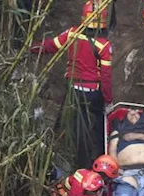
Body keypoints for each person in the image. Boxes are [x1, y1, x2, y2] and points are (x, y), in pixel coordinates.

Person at [30, 2, 113, 168]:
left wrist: (31, 47)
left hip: (73, 91)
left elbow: (50, 46)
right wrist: (108, 99)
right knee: (98, 126)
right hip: (92, 93)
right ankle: (98, 160)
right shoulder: (103, 45)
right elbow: (105, 76)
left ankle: (67, 159)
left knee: (71, 125)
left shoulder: (72, 34)